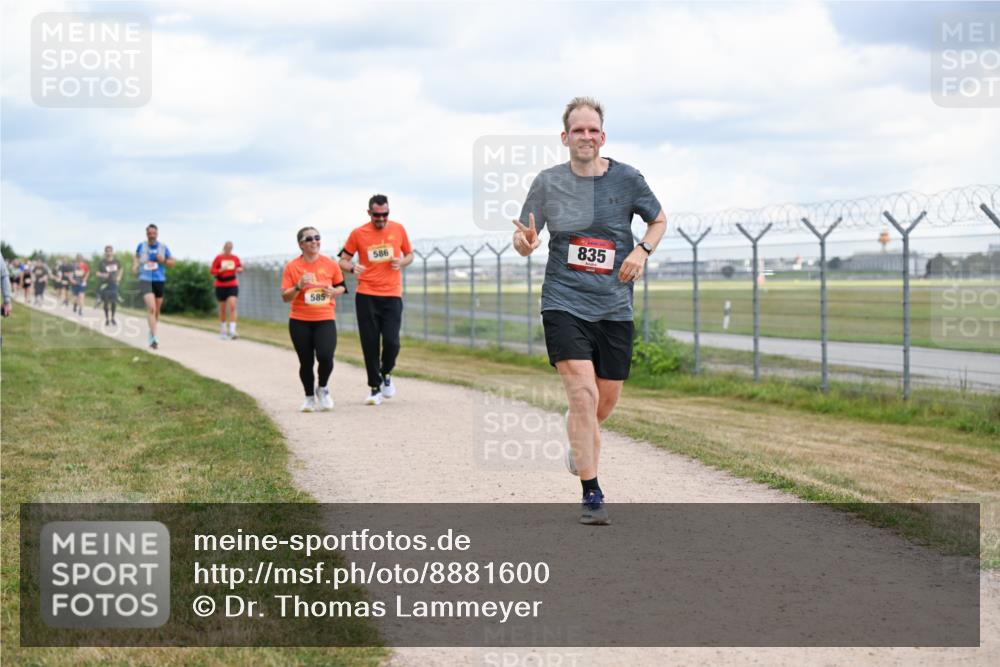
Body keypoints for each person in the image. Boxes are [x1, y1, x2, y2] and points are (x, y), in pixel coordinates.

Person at [513, 96, 666, 525]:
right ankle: (592, 493)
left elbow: (658, 220)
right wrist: (525, 242)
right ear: (565, 138)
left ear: (603, 136)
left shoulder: (628, 179)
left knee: (604, 400)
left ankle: (579, 441)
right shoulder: (548, 182)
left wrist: (642, 250)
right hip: (563, 301)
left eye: (592, 130)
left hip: (614, 305)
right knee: (583, 394)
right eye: (577, 130)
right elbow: (524, 238)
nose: (585, 136)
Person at [338, 194, 414, 405]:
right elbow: (342, 260)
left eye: (385, 214)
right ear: (369, 213)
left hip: (392, 294)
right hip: (366, 295)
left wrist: (401, 262)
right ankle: (374, 388)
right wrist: (352, 267)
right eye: (377, 215)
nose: (381, 218)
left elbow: (410, 255)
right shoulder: (358, 233)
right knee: (370, 343)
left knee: (392, 342)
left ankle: (386, 373)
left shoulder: (398, 229)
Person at [282, 227, 347, 412]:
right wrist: (298, 286)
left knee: (326, 356)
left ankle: (323, 388)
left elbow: (342, 286)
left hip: (325, 318)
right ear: (301, 244)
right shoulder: (292, 267)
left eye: (317, 237)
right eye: (309, 239)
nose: (314, 241)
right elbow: (285, 297)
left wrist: (334, 291)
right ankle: (309, 397)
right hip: (300, 320)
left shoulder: (330, 264)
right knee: (306, 362)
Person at [134, 224, 174, 349]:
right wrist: (135, 266)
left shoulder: (163, 247)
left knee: (156, 310)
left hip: (159, 280)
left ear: (157, 234)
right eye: (149, 233)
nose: (152, 235)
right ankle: (154, 337)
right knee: (151, 308)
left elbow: (172, 263)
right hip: (145, 279)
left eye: (154, 233)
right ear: (146, 234)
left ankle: (152, 331)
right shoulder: (141, 246)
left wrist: (163, 261)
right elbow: (136, 257)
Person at [210, 241, 243, 339]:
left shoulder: (235, 258)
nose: (228, 250)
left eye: (230, 248)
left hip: (232, 284)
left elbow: (240, 267)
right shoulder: (218, 258)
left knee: (232, 306)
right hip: (221, 285)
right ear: (224, 248)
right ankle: (223, 330)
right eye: (227, 248)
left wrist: (239, 270)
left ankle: (232, 330)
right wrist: (220, 270)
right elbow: (212, 271)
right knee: (222, 309)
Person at [96, 246, 123, 326]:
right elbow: (97, 273)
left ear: (112, 252)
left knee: (114, 301)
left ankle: (113, 318)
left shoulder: (116, 261)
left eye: (110, 251)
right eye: (107, 251)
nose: (108, 253)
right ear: (105, 252)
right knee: (106, 302)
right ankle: (107, 319)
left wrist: (119, 277)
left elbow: (121, 269)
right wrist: (102, 275)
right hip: (105, 284)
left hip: (114, 284)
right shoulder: (102, 262)